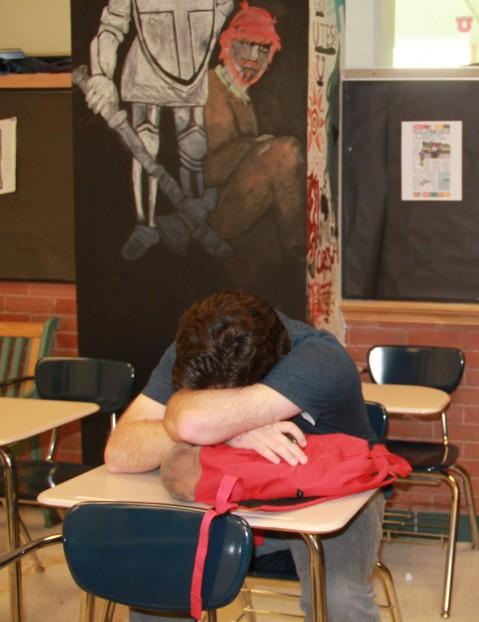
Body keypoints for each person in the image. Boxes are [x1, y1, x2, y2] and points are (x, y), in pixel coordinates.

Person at [105, 290, 383, 622]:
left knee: (338, 597)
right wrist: (236, 430)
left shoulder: (318, 359)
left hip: (336, 496)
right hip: (230, 491)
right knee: (161, 575)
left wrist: (206, 423)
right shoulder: (199, 347)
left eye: (225, 400)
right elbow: (119, 453)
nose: (213, 404)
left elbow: (192, 421)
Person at [85, 0, 235, 259]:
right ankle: (145, 226)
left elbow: (221, 9)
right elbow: (111, 25)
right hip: (145, 70)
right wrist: (101, 74)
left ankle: (192, 223)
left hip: (192, 70)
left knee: (194, 143)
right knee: (144, 145)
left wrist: (204, 42)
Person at [202, 2, 306, 305]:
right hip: (212, 214)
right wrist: (259, 145)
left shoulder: (240, 94)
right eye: (245, 46)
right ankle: (302, 252)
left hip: (238, 218)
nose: (253, 58)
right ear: (227, 45)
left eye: (263, 50)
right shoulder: (213, 87)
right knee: (285, 153)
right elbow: (209, 170)